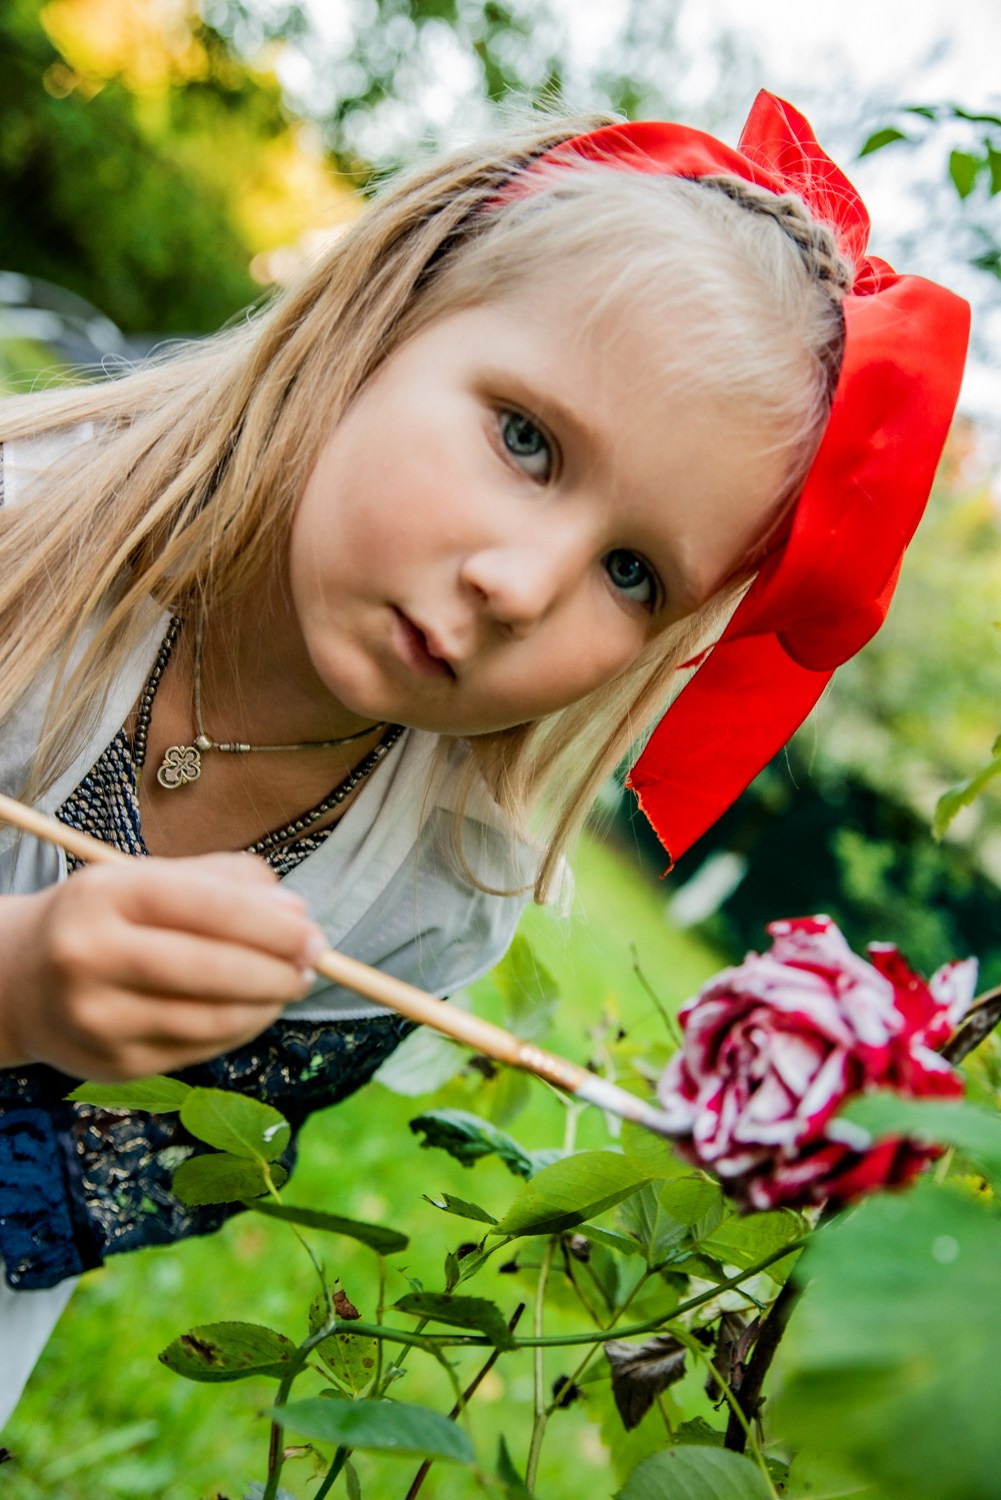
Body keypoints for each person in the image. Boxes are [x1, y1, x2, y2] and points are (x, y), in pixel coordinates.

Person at [0, 90, 968, 1426]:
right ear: (381, 320)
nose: (520, 585)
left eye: (632, 573)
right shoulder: (20, 544)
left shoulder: (429, 895)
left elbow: (95, 1181)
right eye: (525, 440)